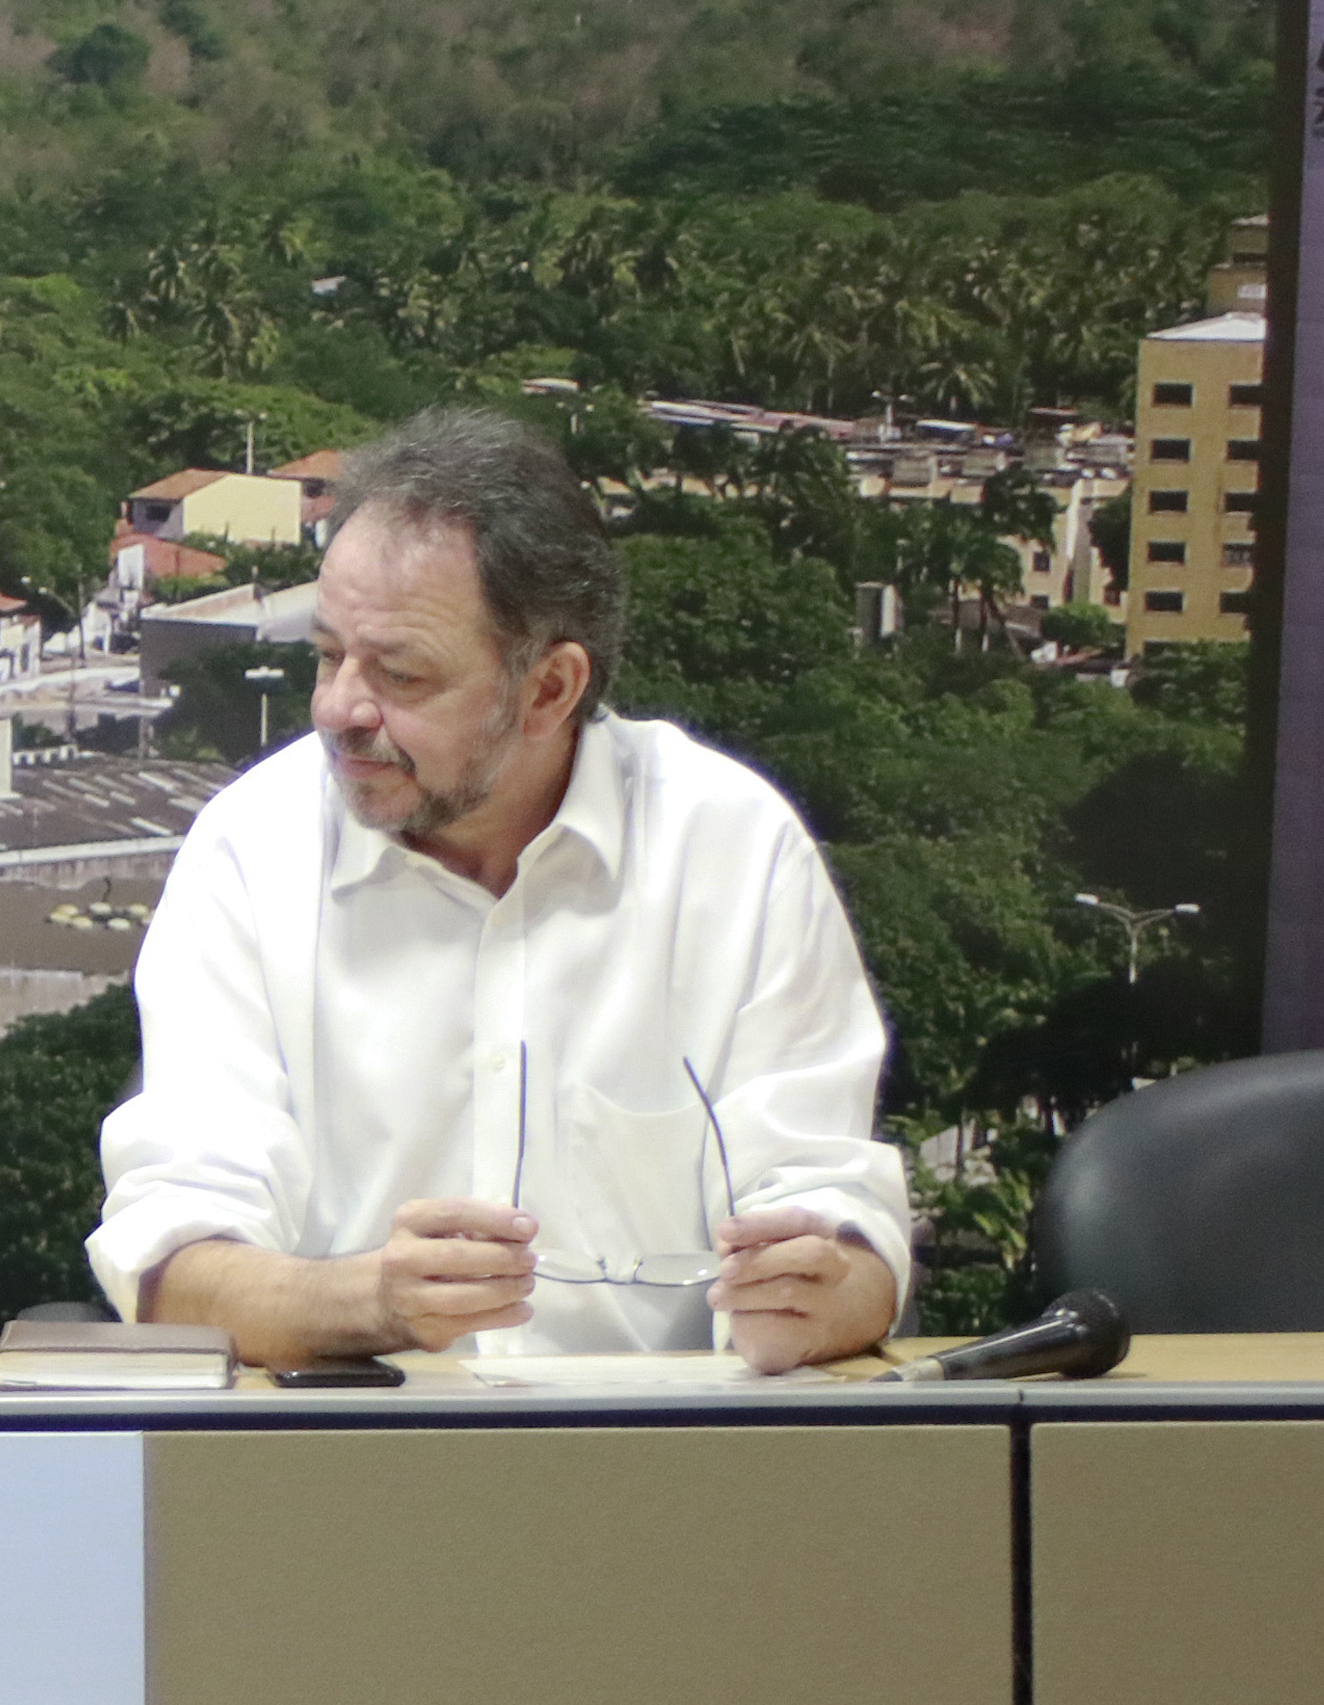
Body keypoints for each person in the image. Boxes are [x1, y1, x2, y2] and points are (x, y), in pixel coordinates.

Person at [91, 406, 910, 1372]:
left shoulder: (730, 846)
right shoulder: (253, 846)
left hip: (656, 1448)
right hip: (343, 1449)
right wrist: (372, 1301)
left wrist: (824, 1291)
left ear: (549, 690)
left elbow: (844, 1231)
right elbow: (172, 1273)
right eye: (328, 655)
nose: (339, 709)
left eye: (399, 675)